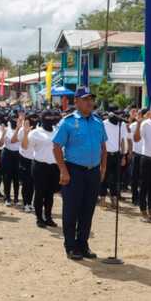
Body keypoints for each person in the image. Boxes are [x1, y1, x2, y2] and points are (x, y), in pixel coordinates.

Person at [52, 87, 107, 261]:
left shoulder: (98, 122)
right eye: (85, 99)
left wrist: (103, 169)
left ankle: (83, 245)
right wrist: (63, 170)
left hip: (93, 172)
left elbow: (103, 147)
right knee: (71, 210)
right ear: (76, 102)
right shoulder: (67, 122)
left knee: (87, 210)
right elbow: (56, 147)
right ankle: (71, 246)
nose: (90, 102)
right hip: (74, 171)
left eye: (91, 99)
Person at [24, 109, 60, 228]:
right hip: (40, 166)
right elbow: (26, 147)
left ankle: (48, 217)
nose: (50, 120)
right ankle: (39, 218)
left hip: (54, 167)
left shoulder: (57, 131)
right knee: (39, 193)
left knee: (50, 194)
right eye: (47, 118)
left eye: (51, 118)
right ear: (42, 119)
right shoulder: (35, 133)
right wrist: (25, 133)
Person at [102, 112, 126, 207]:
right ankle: (103, 198)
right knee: (104, 177)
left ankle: (114, 198)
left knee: (115, 178)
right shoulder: (104, 124)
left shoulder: (121, 124)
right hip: (106, 154)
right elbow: (101, 140)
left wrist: (123, 155)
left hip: (117, 154)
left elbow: (122, 140)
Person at [0, 111, 22, 206]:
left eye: (17, 118)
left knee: (16, 177)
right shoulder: (6, 129)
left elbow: (17, 140)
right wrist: (3, 134)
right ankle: (7, 197)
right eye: (13, 118)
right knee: (7, 177)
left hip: (18, 154)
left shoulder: (22, 130)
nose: (15, 120)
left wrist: (18, 128)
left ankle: (16, 198)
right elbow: (7, 142)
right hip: (7, 154)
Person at [17, 111, 36, 213]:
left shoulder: (36, 131)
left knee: (32, 183)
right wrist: (25, 132)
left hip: (33, 160)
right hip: (24, 159)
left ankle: (30, 202)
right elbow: (24, 146)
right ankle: (25, 204)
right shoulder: (21, 131)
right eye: (27, 122)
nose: (29, 124)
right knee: (26, 183)